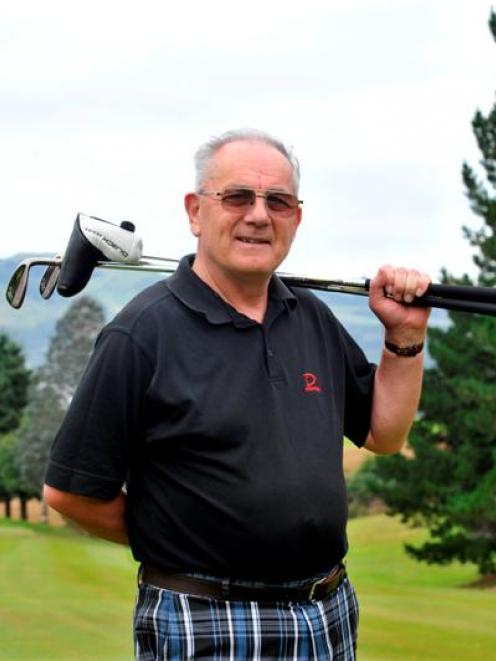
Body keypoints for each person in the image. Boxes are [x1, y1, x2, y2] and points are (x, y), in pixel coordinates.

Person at [44, 128, 431, 660]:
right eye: (237, 197)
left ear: (296, 216)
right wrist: (171, 540)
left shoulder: (311, 318)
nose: (258, 215)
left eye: (278, 201)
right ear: (195, 211)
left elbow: (384, 434)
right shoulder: (141, 335)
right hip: (205, 619)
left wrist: (404, 338)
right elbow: (71, 493)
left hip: (327, 609)